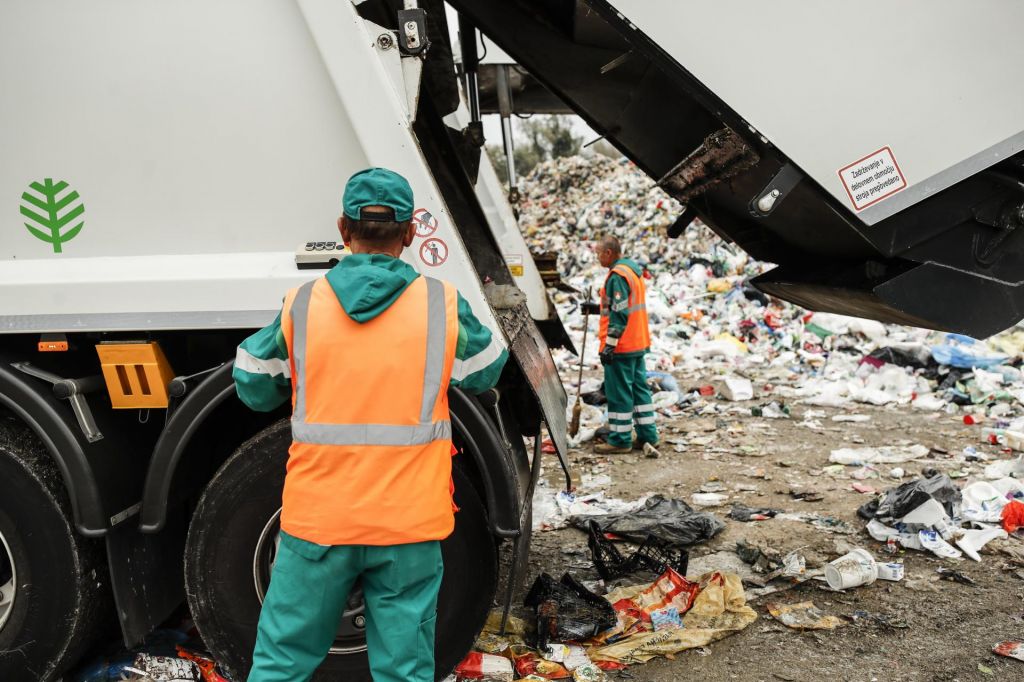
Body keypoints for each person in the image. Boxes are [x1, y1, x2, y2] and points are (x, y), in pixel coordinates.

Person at [232, 167, 508, 682]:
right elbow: (487, 367)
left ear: (343, 229)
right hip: (408, 524)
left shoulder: (304, 303)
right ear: (409, 233)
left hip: (319, 523)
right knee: (404, 670)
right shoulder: (441, 303)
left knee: (280, 662)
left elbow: (251, 381)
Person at [587, 235, 658, 454]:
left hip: (622, 346)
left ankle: (620, 440)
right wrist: (593, 308)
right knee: (639, 390)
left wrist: (610, 345)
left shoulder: (617, 276)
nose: (597, 257)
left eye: (599, 253)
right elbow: (620, 306)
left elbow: (619, 312)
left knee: (619, 393)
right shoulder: (632, 271)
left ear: (608, 253)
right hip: (637, 342)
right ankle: (648, 436)